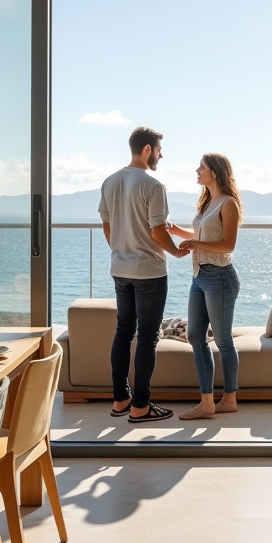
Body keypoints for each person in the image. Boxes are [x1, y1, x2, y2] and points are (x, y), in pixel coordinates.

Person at [98, 126, 185, 423]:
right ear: (147, 149)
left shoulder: (109, 182)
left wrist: (123, 248)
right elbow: (159, 230)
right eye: (159, 149)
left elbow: (107, 227)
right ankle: (141, 406)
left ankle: (121, 400)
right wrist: (175, 252)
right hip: (149, 270)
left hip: (120, 268)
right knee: (147, 336)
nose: (162, 154)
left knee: (123, 332)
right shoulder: (153, 185)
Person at [169, 154, 243, 420]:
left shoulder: (228, 203)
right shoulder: (207, 202)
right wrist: (179, 231)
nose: (197, 170)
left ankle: (230, 399)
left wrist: (196, 245)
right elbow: (203, 236)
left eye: (201, 167)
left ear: (215, 171)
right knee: (195, 337)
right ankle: (208, 403)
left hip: (220, 277)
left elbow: (227, 245)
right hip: (199, 277)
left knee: (222, 340)